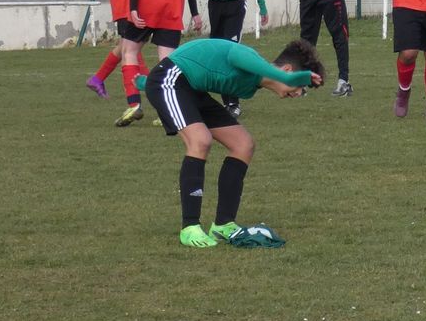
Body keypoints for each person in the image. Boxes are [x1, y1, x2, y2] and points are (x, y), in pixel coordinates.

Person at [139, 36, 324, 247]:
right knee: (200, 141)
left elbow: (207, 67)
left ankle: (223, 224)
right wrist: (291, 79)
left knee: (243, 145)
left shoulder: (251, 86)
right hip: (171, 79)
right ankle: (189, 227)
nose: (299, 93)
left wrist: (144, 83)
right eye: (301, 87)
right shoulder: (249, 58)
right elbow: (233, 54)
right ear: (288, 71)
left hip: (191, 89)